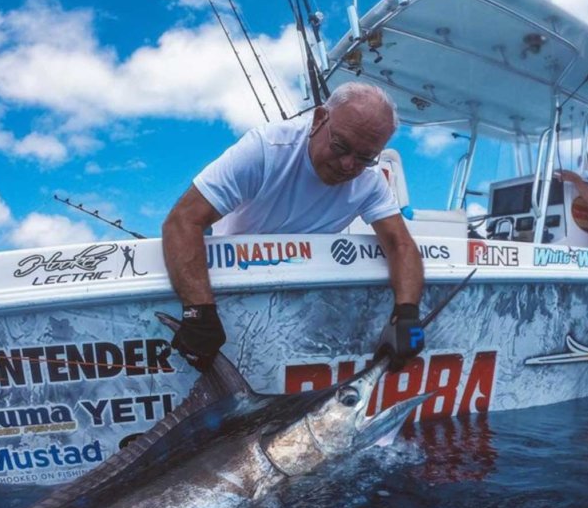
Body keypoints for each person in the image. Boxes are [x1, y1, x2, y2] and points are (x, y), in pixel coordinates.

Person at [162, 82, 425, 373]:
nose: (349, 165)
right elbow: (182, 220)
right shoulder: (265, 149)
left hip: (303, 297)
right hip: (233, 289)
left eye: (364, 157)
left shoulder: (370, 181)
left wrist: (407, 313)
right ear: (318, 119)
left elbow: (400, 244)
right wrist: (198, 310)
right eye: (341, 147)